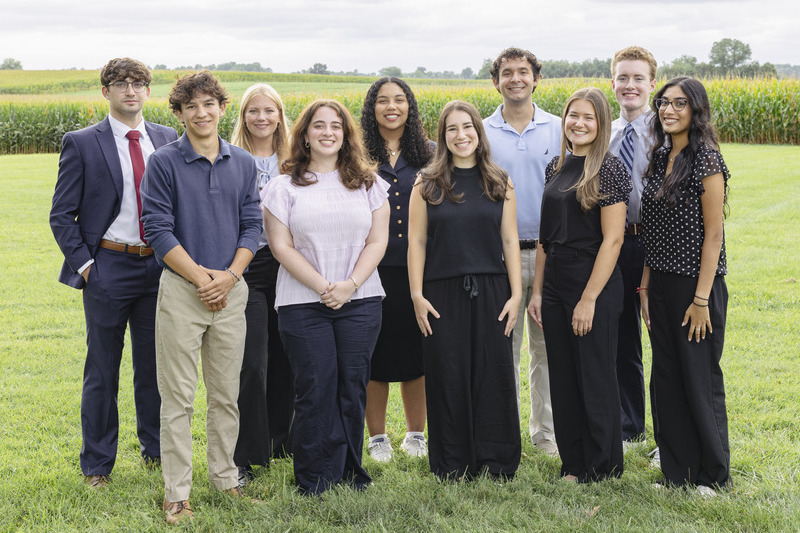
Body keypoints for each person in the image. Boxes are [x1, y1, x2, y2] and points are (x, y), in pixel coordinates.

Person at [140, 71, 263, 524]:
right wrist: (201, 278)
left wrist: (229, 277)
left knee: (226, 394)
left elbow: (253, 225)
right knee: (178, 397)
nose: (201, 113)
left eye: (209, 103)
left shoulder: (244, 162)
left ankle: (226, 479)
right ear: (178, 113)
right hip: (181, 291)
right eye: (190, 106)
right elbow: (156, 229)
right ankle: (177, 494)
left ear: (222, 108)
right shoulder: (163, 162)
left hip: (231, 290)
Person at [49, 57, 178, 488]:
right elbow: (61, 214)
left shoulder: (167, 138)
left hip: (159, 267)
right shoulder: (82, 142)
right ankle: (97, 465)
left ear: (148, 91)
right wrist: (88, 267)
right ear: (106, 91)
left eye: (138, 83)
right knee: (102, 369)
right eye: (121, 83)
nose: (130, 90)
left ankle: (156, 451)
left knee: (155, 367)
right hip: (108, 267)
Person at [263, 99, 390, 495]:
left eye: (336, 126)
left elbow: (377, 240)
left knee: (352, 385)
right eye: (319, 125)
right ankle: (316, 477)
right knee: (315, 387)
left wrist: (350, 284)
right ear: (304, 134)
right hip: (302, 302)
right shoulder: (282, 187)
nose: (328, 132)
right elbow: (281, 246)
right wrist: (323, 286)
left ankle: (351, 472)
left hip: (361, 299)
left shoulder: (369, 184)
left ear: (347, 135)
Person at [408, 100, 522, 481]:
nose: (461, 135)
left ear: (478, 131)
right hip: (441, 292)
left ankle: (496, 459)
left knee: (493, 373)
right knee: (448, 374)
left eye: (468, 127)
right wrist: (417, 295)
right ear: (443, 136)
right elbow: (417, 242)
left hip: (492, 290)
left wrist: (516, 294)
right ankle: (453, 462)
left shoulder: (500, 181)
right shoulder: (426, 184)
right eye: (452, 129)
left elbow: (509, 240)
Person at [528, 87, 631, 482]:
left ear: (601, 123)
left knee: (594, 374)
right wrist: (538, 291)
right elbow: (545, 236)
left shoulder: (609, 168)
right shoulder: (556, 166)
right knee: (564, 375)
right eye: (574, 115)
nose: (579, 123)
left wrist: (589, 299)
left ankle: (602, 466)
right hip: (555, 281)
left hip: (593, 281)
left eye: (589, 117)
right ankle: (573, 464)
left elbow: (613, 240)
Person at [640, 77, 731, 495]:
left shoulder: (707, 160)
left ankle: (713, 475)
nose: (669, 110)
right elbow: (652, 231)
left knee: (698, 378)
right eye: (664, 103)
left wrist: (701, 299)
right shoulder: (661, 156)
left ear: (696, 109)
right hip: (660, 284)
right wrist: (645, 288)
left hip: (696, 287)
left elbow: (714, 236)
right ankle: (677, 472)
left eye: (679, 103)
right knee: (667, 379)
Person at [483, 47, 562, 456]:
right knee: (504, 348)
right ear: (496, 81)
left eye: (523, 72)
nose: (516, 78)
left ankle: (545, 434)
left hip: (550, 253)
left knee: (546, 350)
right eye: (507, 72)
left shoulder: (559, 128)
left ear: (536, 78)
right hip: (500, 257)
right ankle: (505, 431)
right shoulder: (481, 131)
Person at [360, 77, 434, 462]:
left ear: (410, 106)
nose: (392, 107)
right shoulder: (356, 153)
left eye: (399, 100)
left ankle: (416, 435)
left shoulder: (431, 153)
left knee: (415, 352)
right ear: (371, 108)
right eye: (383, 100)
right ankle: (377, 438)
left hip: (418, 270)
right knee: (374, 355)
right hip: (370, 269)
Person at [229, 83, 294, 487]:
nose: (262, 117)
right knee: (252, 361)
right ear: (243, 116)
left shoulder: (295, 159)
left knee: (287, 355)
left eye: (269, 110)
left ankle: (282, 440)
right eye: (253, 110)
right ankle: (249, 456)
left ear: (280, 115)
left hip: (290, 265)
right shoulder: (230, 157)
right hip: (248, 265)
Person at [608, 46, 658, 450]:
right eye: (623, 77)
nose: (630, 85)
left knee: (662, 337)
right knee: (622, 338)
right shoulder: (603, 133)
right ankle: (630, 426)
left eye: (638, 78)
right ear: (612, 83)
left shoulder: (666, 131)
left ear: (652, 84)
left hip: (655, 243)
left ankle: (671, 432)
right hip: (614, 244)